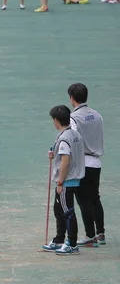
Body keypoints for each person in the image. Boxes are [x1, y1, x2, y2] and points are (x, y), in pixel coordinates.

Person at [42, 105, 85, 256]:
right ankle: (60, 239)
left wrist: (60, 183)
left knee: (68, 212)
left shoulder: (64, 138)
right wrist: (54, 154)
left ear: (56, 120)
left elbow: (66, 161)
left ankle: (72, 244)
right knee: (58, 210)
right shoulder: (74, 134)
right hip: (73, 178)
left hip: (66, 181)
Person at [68, 83, 106, 247]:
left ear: (72, 98)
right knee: (95, 198)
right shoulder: (97, 115)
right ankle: (101, 234)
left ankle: (90, 236)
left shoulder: (73, 117)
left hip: (82, 162)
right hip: (96, 162)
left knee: (83, 201)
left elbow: (73, 139)